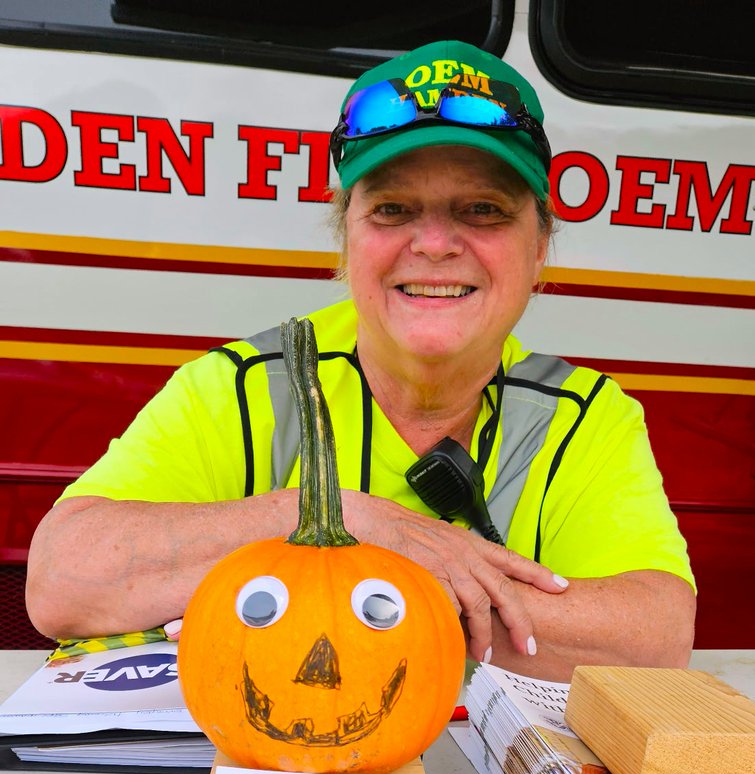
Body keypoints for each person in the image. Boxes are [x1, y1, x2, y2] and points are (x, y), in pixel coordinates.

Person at [26, 39, 696, 682]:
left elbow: (654, 639)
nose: (434, 243)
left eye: (483, 210)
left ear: (541, 247)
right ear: (345, 239)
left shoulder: (586, 416)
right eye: (393, 208)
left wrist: (375, 586)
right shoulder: (241, 386)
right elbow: (62, 580)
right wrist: (330, 517)